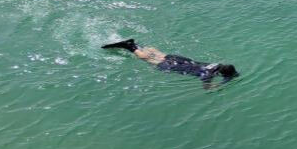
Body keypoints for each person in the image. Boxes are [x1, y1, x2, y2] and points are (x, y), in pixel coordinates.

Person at [102, 39, 238, 89]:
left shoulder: (215, 64)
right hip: (175, 66)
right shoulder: (207, 74)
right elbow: (207, 88)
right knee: (148, 59)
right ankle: (130, 46)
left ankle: (137, 45)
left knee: (159, 54)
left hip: (182, 59)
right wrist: (222, 85)